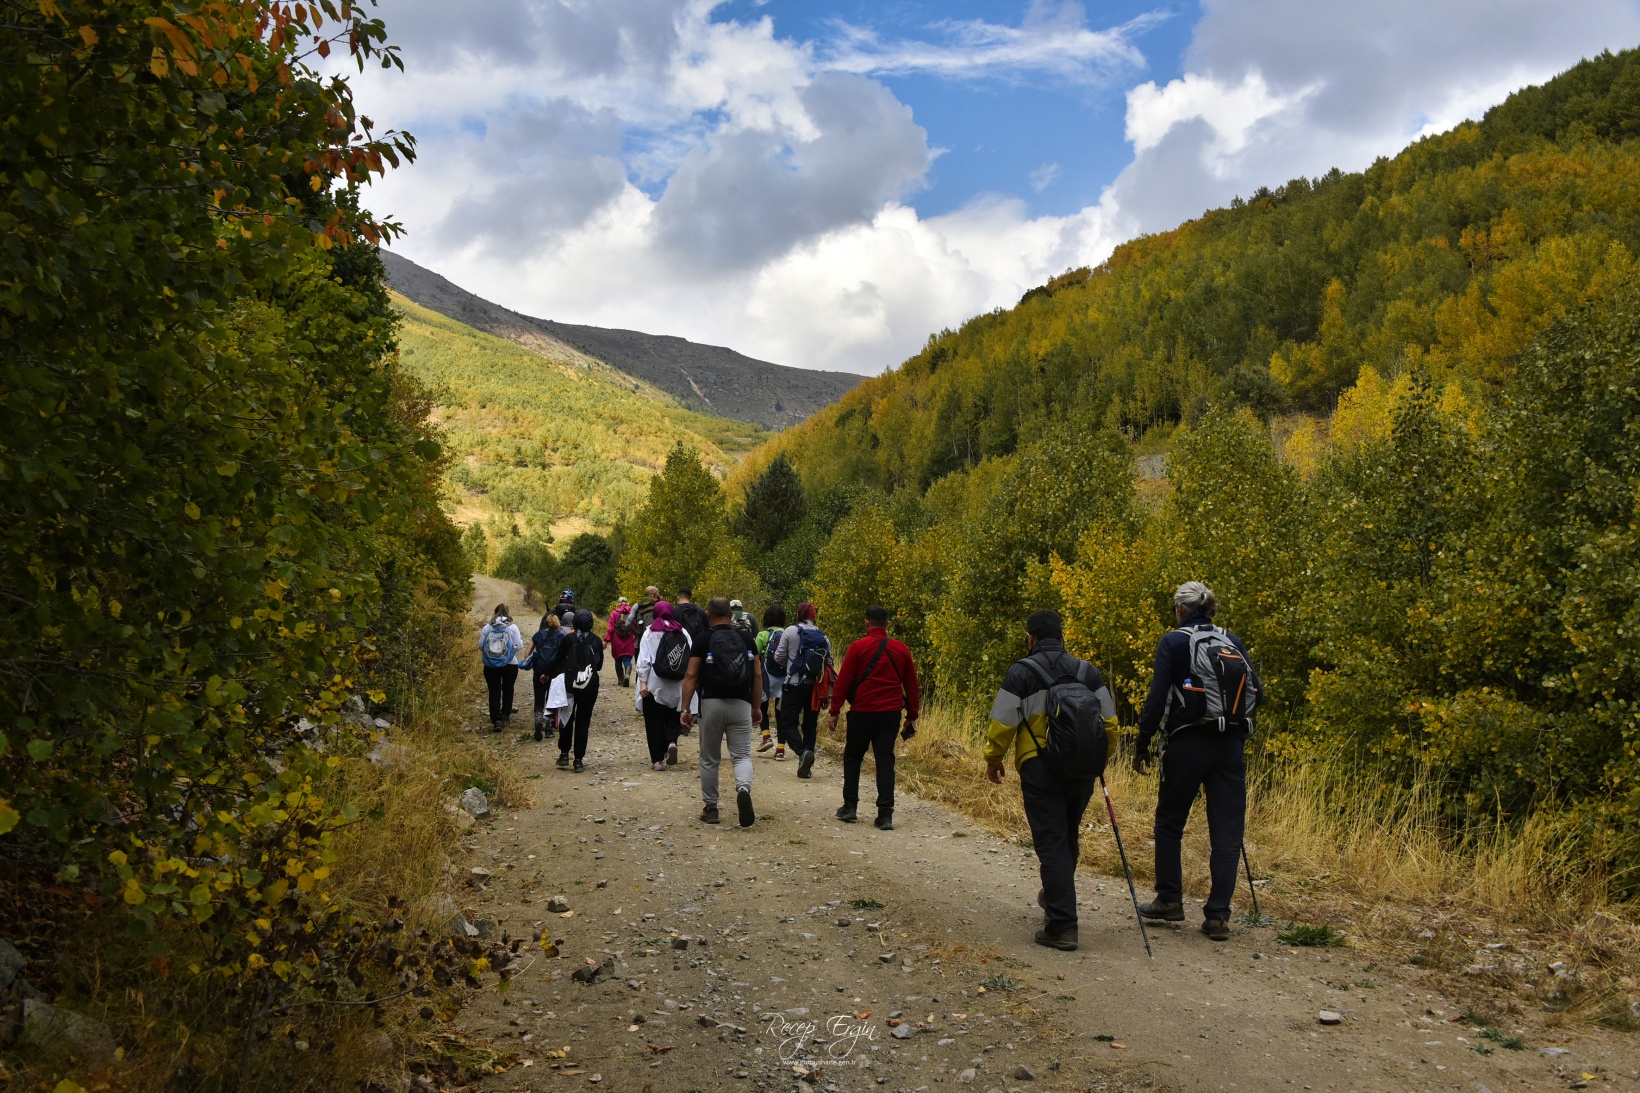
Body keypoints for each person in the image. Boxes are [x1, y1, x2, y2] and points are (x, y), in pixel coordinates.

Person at [1132, 581, 1260, 943]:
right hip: (1230, 745)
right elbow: (1258, 693)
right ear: (1210, 609)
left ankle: (1170, 899)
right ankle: (1218, 916)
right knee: (1227, 832)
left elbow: (1157, 697)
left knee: (1170, 820)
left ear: (1180, 609)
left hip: (1187, 742)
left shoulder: (1173, 641)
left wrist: (1142, 743)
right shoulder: (1231, 640)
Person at [985, 609, 1118, 952]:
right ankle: (1055, 896)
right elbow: (1110, 723)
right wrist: (1100, 757)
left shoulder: (1021, 671)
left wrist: (994, 758)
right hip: (1083, 768)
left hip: (1039, 765)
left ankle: (1062, 925)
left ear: (1030, 638)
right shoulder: (1087, 671)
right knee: (1067, 835)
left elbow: (1003, 722)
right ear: (1062, 637)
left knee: (1051, 840)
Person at [827, 605, 921, 830]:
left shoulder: (858, 647)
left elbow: (843, 681)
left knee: (853, 757)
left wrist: (834, 711)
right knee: (885, 760)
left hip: (862, 711)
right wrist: (911, 716)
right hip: (890, 714)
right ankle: (885, 815)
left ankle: (850, 807)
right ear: (887, 625)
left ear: (866, 623)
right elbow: (912, 685)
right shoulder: (901, 649)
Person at [679, 597, 763, 826]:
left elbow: (691, 675)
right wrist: (756, 707)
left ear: (708, 615)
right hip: (741, 703)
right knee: (741, 755)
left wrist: (686, 709)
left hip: (711, 703)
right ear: (731, 614)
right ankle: (743, 789)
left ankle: (711, 808)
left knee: (709, 758)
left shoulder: (702, 639)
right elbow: (757, 675)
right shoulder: (746, 638)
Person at [772, 602, 831, 777]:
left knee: (787, 723)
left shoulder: (790, 631)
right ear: (814, 616)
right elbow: (828, 663)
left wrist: (790, 666)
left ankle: (802, 752)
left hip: (794, 685)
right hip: (814, 688)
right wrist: (827, 694)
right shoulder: (823, 636)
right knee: (810, 725)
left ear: (799, 614)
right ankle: (806, 767)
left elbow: (778, 656)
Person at [634, 601, 694, 771]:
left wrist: (643, 682)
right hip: (678, 683)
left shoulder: (650, 632)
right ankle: (672, 741)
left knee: (653, 721)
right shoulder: (682, 631)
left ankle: (657, 760)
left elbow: (644, 660)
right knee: (674, 716)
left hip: (654, 683)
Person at [554, 609, 604, 773]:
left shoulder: (568, 639)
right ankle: (578, 759)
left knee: (566, 717)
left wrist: (547, 675)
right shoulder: (596, 641)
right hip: (589, 686)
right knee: (583, 721)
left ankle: (564, 754)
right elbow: (599, 666)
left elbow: (558, 660)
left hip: (569, 685)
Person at [479, 604, 524, 730]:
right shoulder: (513, 627)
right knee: (508, 689)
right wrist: (509, 654)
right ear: (508, 612)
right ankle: (505, 714)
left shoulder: (488, 627)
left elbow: (481, 645)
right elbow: (518, 645)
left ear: (495, 612)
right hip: (510, 664)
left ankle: (496, 719)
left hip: (490, 665)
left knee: (494, 691)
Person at [525, 613, 566, 742]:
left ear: (546, 623)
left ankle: (538, 720)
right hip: (555, 673)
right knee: (551, 700)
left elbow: (527, 653)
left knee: (539, 699)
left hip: (539, 672)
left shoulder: (539, 635)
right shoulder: (561, 637)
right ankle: (549, 728)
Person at [755, 604, 787, 753]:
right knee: (781, 712)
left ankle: (766, 736)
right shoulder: (788, 634)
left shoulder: (763, 635)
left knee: (762, 706)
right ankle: (781, 749)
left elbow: (755, 655)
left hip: (767, 676)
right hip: (784, 677)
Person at [606, 597, 637, 687]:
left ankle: (621, 680)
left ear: (618, 603)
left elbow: (611, 628)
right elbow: (636, 625)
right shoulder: (632, 612)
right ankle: (627, 675)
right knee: (627, 659)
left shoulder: (614, 613)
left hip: (617, 640)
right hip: (629, 639)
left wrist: (606, 640)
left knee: (618, 660)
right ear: (627, 603)